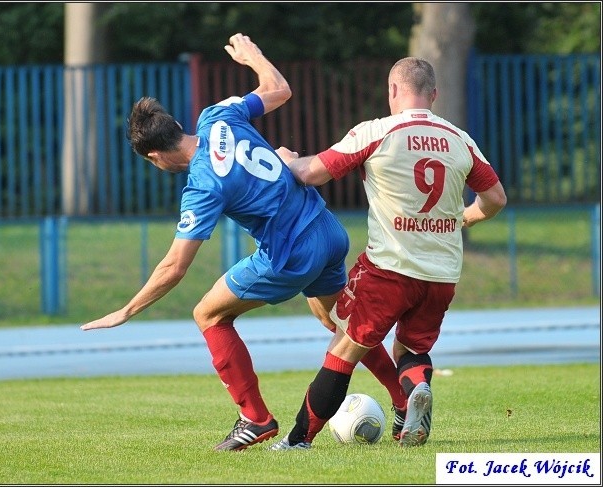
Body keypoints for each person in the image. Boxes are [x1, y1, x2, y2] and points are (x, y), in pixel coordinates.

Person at [80, 33, 407, 452]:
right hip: (326, 229)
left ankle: (254, 417)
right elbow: (278, 90)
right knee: (343, 325)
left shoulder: (201, 185)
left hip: (290, 254)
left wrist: (126, 310)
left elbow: (174, 267)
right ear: (178, 125)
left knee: (209, 315)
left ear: (155, 157)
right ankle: (403, 400)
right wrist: (254, 57)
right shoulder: (217, 116)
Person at [269, 57, 507, 450]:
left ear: (393, 90)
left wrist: (288, 160)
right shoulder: (460, 139)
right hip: (442, 273)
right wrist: (463, 218)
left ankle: (298, 440)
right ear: (434, 95)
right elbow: (495, 198)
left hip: (389, 268)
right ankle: (414, 393)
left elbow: (313, 173)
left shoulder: (377, 132)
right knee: (412, 348)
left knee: (343, 349)